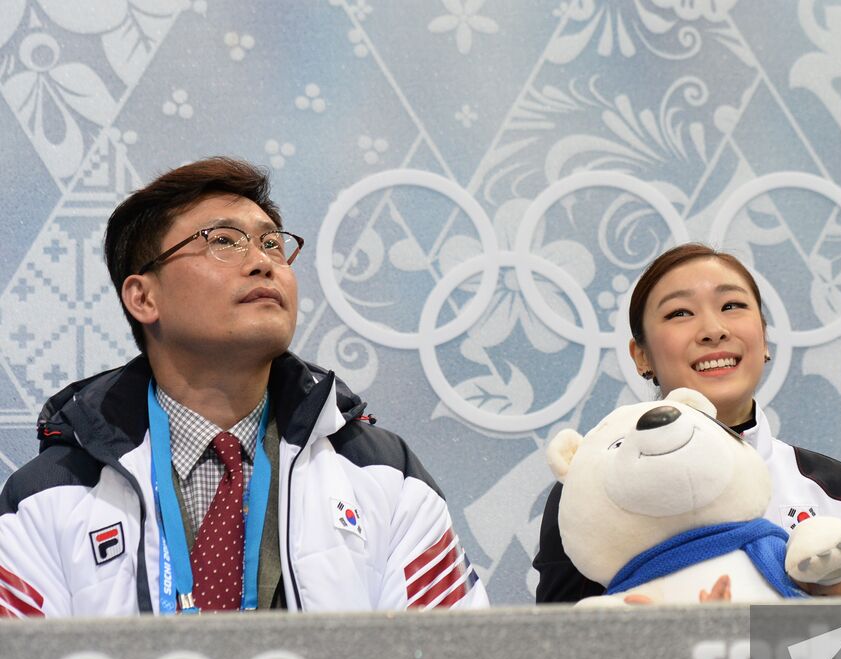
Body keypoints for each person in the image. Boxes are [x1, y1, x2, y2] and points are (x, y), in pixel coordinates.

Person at [0, 157, 487, 617]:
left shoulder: (385, 476)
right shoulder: (47, 498)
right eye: (224, 241)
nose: (262, 262)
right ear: (143, 297)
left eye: (272, 243)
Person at [533, 243, 841, 601]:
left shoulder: (840, 491)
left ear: (764, 338)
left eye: (732, 306)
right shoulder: (594, 487)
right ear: (642, 357)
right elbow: (557, 646)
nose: (713, 330)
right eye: (679, 313)